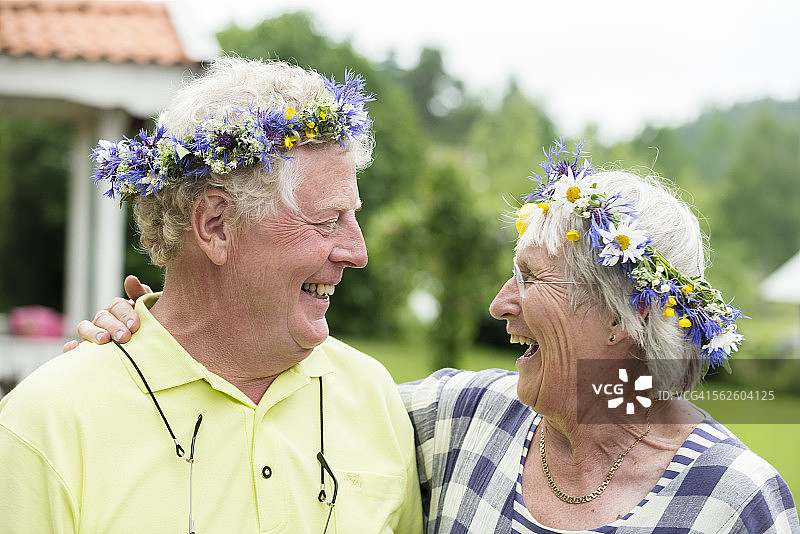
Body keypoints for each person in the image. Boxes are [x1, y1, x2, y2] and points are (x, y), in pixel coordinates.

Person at [69, 141, 799, 532]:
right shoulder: (464, 420)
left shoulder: (734, 501)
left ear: (622, 315)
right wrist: (163, 326)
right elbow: (291, 393)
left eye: (532, 279)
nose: (499, 304)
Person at [0, 57, 421, 533]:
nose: (357, 252)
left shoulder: (374, 397)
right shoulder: (50, 422)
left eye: (352, 217)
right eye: (327, 221)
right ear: (216, 225)